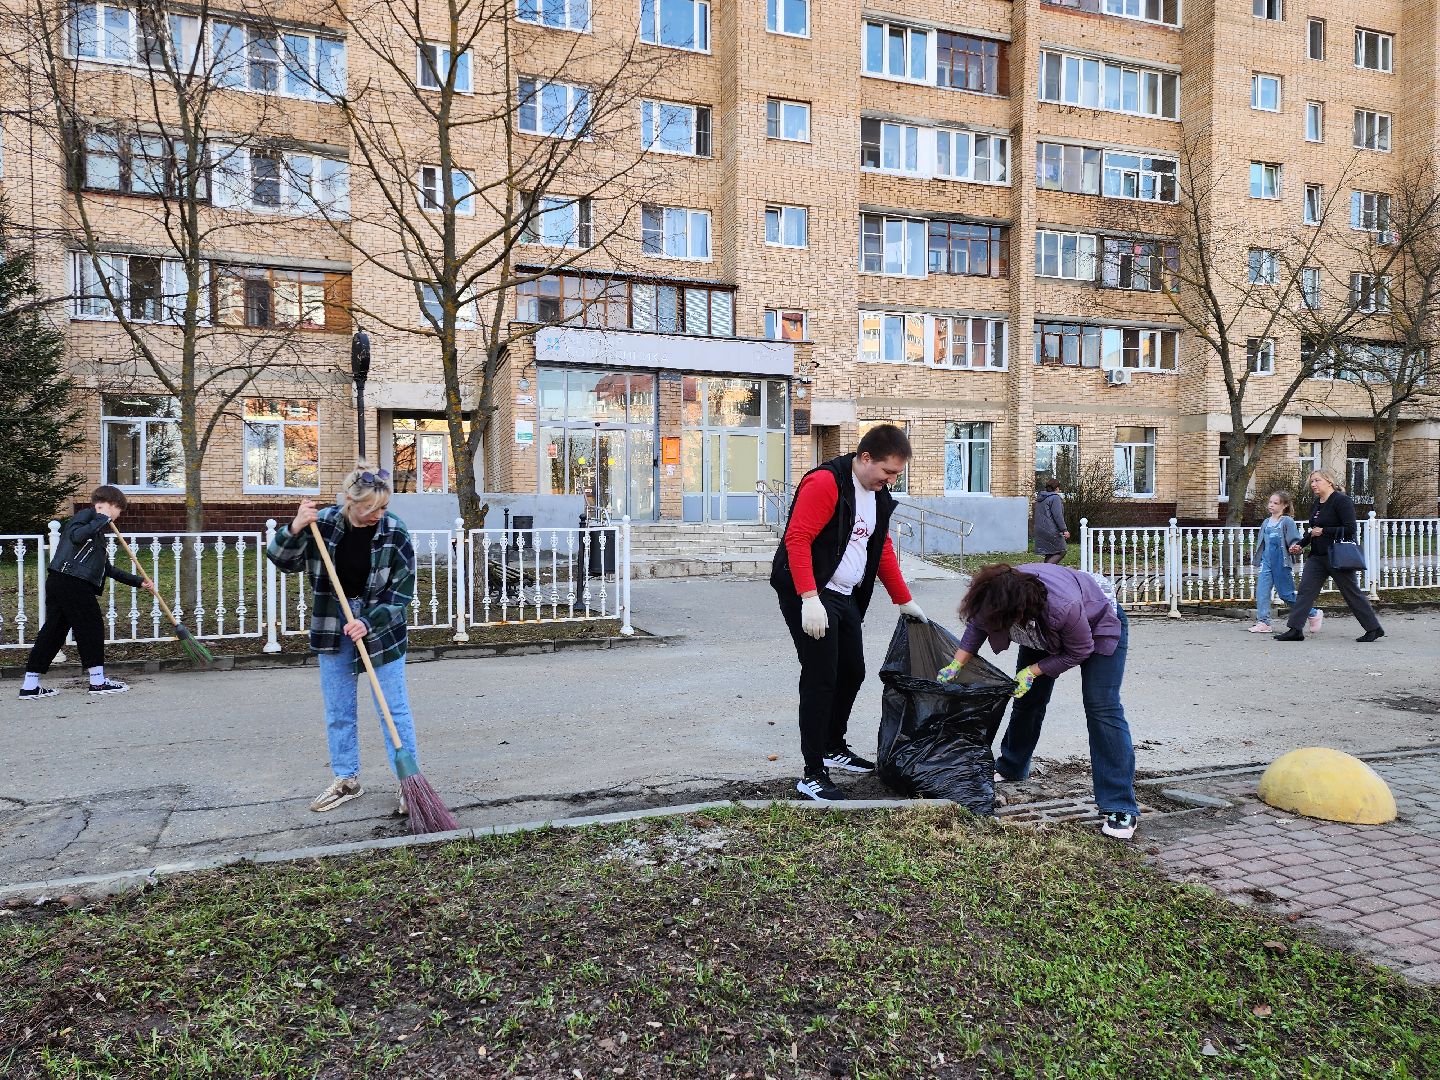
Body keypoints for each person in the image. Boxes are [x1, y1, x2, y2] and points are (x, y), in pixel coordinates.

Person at [772, 424, 927, 802]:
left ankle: (832, 745)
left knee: (853, 671)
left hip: (843, 595)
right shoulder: (826, 483)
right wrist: (809, 597)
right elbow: (798, 538)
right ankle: (812, 772)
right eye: (888, 472)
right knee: (821, 677)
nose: (890, 480)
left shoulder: (877, 495)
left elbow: (881, 550)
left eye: (896, 475)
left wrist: (903, 599)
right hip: (809, 591)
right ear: (866, 458)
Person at [939, 562, 1140, 840]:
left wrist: (1034, 670)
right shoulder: (1000, 592)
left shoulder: (1061, 607)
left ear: (1016, 612)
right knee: (1028, 698)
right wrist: (956, 664)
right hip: (1043, 630)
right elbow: (978, 624)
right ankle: (1012, 766)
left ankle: (1120, 805)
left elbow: (1080, 650)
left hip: (1097, 624)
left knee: (1101, 707)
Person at [266, 464, 423, 814]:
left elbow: (402, 591)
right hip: (332, 621)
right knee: (339, 708)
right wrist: (294, 527)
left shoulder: (395, 530)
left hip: (381, 627)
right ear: (352, 503)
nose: (379, 515)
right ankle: (347, 779)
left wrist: (369, 621)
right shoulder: (322, 524)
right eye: (372, 509)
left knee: (394, 709)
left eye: (383, 507)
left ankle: (408, 784)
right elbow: (280, 559)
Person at [18, 485, 154, 700]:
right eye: (119, 511)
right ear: (112, 506)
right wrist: (101, 517)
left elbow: (106, 568)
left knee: (53, 632)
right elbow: (76, 536)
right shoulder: (87, 516)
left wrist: (139, 582)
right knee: (90, 628)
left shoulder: (96, 531)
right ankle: (98, 682)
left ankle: (30, 685)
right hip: (73, 583)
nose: (118, 516)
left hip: (61, 582)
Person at [1274, 468, 1384, 643]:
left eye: (1317, 481)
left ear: (1329, 481)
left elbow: (1350, 529)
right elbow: (1314, 531)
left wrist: (1325, 531)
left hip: (1338, 556)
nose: (1313, 484)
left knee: (1351, 593)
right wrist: (1300, 545)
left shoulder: (1342, 501)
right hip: (1317, 556)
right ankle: (1295, 629)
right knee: (1305, 592)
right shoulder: (1318, 503)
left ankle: (1374, 628)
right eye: (1311, 482)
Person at [1248, 490, 1320, 634]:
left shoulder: (1287, 521)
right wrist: (1259, 559)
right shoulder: (1266, 522)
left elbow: (1294, 540)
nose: (1271, 505)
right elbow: (1262, 543)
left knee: (1286, 594)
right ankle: (1264, 622)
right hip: (1266, 562)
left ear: (1284, 505)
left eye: (1276, 503)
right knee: (1262, 591)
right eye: (1270, 502)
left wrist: (1295, 547)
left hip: (1281, 562)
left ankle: (1313, 613)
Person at [1033, 477, 1070, 565]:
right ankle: (1045, 572)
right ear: (1057, 488)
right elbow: (1058, 516)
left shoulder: (1040, 498)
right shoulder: (1055, 498)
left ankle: (1046, 574)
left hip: (1040, 529)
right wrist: (1064, 530)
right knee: (1061, 551)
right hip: (1051, 530)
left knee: (1050, 552)